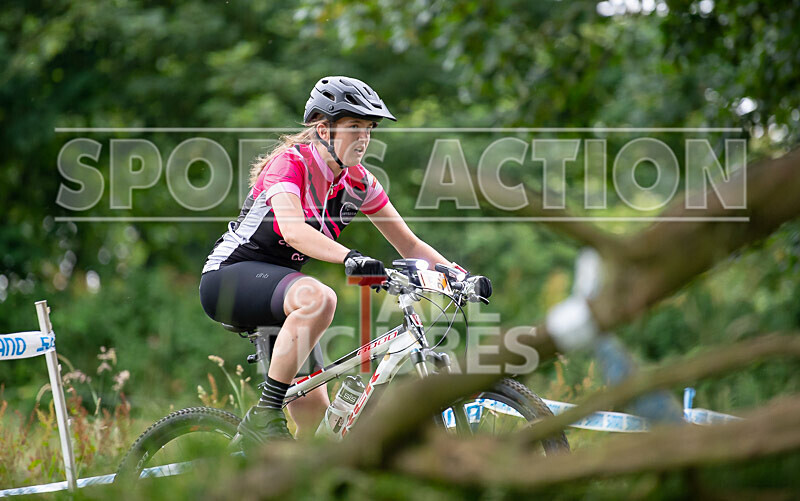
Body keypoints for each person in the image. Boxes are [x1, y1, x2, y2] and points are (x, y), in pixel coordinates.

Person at [199, 76, 459, 444]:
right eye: (354, 126)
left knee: (316, 426)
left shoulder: (359, 184)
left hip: (283, 301)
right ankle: (265, 413)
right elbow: (293, 231)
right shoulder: (289, 165)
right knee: (321, 297)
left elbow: (411, 246)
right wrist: (350, 257)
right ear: (323, 130)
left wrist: (459, 277)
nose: (364, 137)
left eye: (369, 128)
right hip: (229, 278)